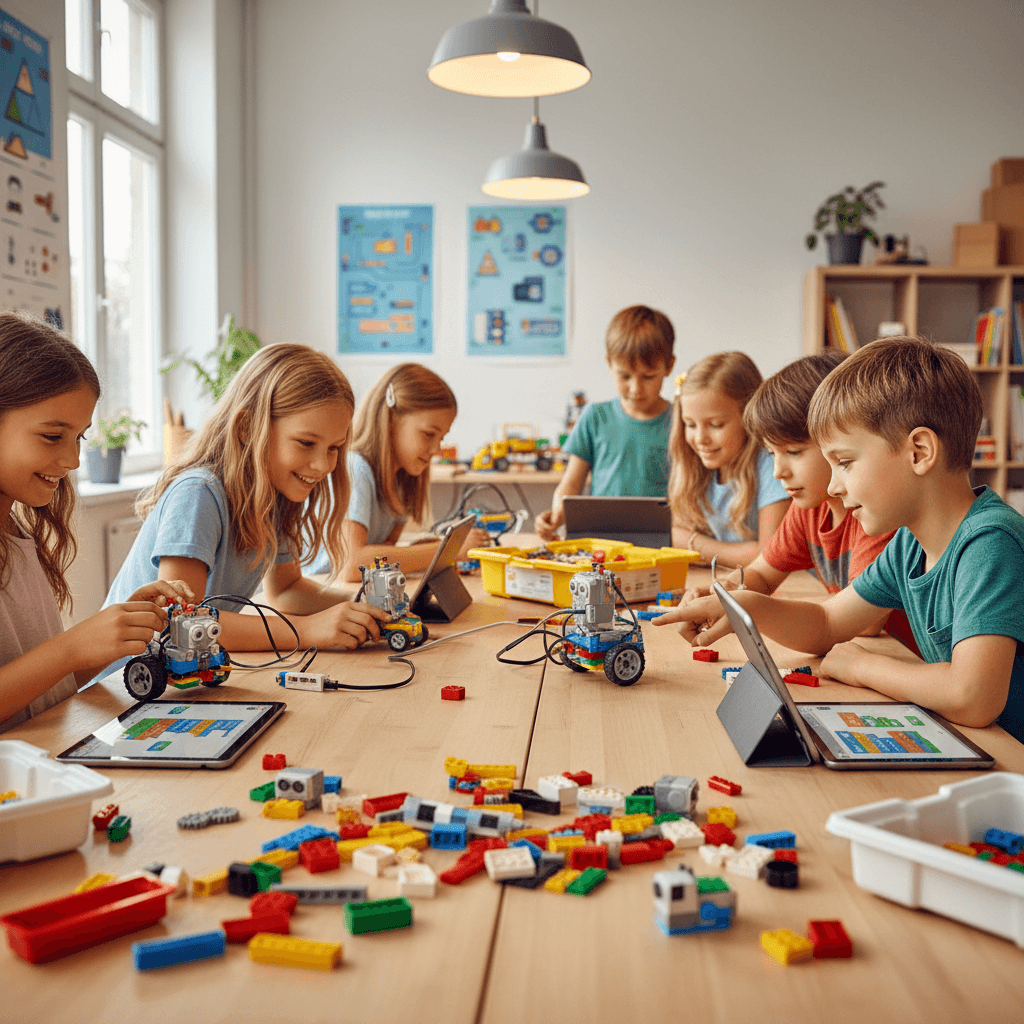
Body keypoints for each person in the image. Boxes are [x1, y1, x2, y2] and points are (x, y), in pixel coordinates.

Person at [656, 336, 1024, 742]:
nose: (832, 486)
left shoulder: (988, 542)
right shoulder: (908, 546)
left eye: (845, 463)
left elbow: (972, 697)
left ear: (919, 451)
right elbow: (828, 622)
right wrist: (748, 605)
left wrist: (862, 667)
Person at [102, 343, 390, 677]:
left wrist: (361, 604)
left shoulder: (273, 497)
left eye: (334, 448)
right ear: (246, 429)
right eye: (306, 443)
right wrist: (309, 630)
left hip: (189, 679)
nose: (323, 464)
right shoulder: (199, 494)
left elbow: (286, 591)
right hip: (127, 686)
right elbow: (182, 621)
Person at [0, 311, 191, 730]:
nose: (72, 461)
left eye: (79, 437)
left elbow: (41, 687)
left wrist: (110, 638)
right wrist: (70, 648)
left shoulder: (18, 532)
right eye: (53, 436)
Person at [678, 351, 903, 642]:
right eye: (772, 454)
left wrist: (755, 607)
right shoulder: (810, 508)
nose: (778, 472)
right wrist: (720, 592)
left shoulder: (874, 509)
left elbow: (865, 624)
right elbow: (760, 574)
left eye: (793, 452)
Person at [307, 363, 488, 583]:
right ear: (391, 419)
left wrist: (424, 550)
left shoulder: (401, 479)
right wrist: (446, 549)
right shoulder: (356, 469)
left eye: (441, 438)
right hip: (320, 593)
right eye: (429, 434)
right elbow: (352, 565)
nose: (436, 450)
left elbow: (383, 550)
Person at [535, 305, 676, 541]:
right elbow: (571, 483)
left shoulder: (682, 422)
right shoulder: (595, 417)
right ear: (609, 363)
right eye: (625, 376)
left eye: (648, 377)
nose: (635, 388)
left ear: (669, 366)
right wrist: (558, 516)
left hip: (661, 545)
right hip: (601, 544)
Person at [669, 351, 789, 567]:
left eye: (715, 425)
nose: (700, 439)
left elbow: (768, 555)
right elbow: (675, 536)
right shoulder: (694, 466)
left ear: (749, 416)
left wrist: (694, 544)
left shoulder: (771, 464)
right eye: (690, 424)